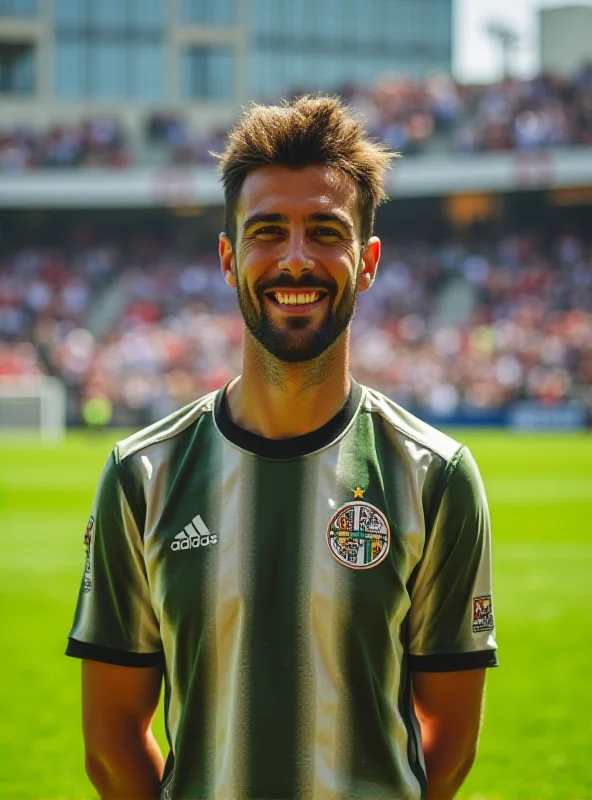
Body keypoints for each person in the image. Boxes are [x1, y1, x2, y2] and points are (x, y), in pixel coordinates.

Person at [66, 96, 497, 800]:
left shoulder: (436, 476)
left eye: (326, 232)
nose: (296, 260)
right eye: (268, 232)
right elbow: (111, 742)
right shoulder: (142, 474)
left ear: (367, 262)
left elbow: (449, 744)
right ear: (230, 256)